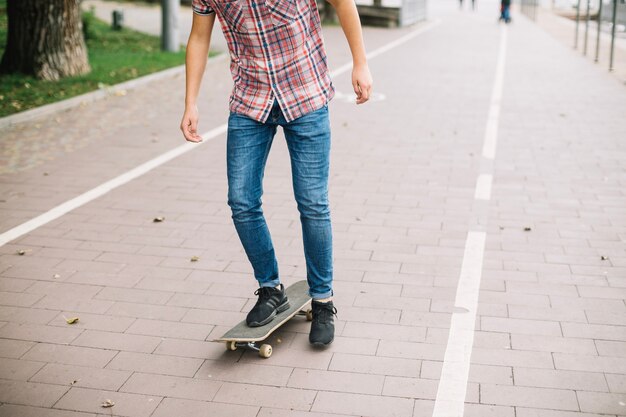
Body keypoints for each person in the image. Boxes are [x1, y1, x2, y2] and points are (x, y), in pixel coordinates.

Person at [181, 0, 373, 347]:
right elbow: (198, 37)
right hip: (250, 100)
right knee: (241, 200)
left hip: (306, 95)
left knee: (313, 203)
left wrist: (360, 63)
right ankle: (270, 288)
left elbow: (343, 3)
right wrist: (190, 102)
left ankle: (324, 300)